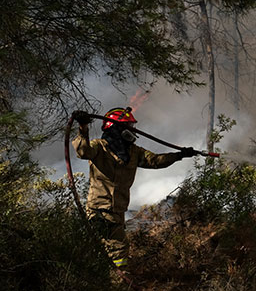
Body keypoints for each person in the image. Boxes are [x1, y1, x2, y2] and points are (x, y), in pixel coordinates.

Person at [71, 107, 197, 268]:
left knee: (104, 248)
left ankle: (100, 281)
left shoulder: (133, 152)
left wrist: (179, 155)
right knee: (117, 249)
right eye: (128, 126)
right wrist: (83, 127)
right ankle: (120, 283)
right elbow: (83, 151)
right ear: (115, 127)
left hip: (117, 210)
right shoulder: (99, 147)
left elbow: (156, 161)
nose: (132, 130)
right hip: (99, 209)